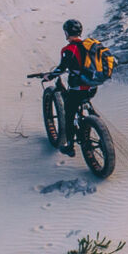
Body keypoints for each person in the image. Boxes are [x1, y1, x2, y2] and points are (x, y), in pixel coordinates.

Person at [51, 19, 99, 156]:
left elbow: (61, 68)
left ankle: (70, 145)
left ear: (67, 33)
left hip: (77, 89)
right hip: (92, 88)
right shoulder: (91, 46)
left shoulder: (68, 49)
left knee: (69, 115)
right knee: (83, 99)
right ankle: (93, 118)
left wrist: (50, 76)